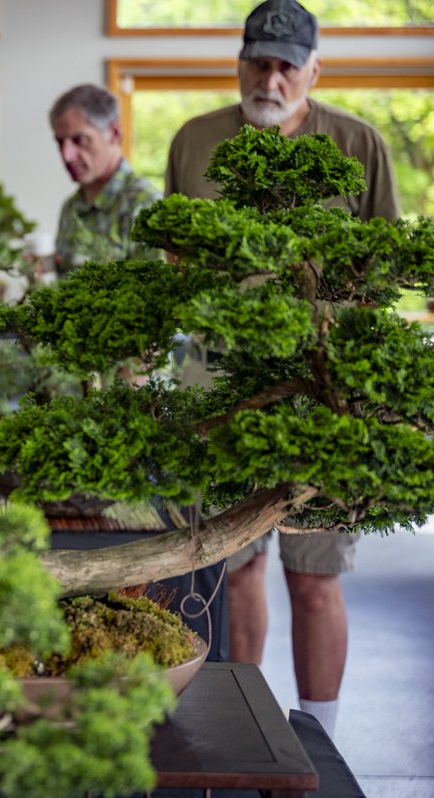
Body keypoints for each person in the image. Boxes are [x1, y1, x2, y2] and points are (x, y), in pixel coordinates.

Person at [164, 0, 401, 736]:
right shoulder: (196, 140)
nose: (271, 77)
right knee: (234, 567)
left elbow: (383, 268)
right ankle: (245, 724)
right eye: (257, 62)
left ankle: (320, 735)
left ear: (313, 70)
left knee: (317, 573)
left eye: (286, 65)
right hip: (217, 382)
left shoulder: (357, 144)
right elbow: (172, 262)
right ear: (239, 63)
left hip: (323, 389)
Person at [49, 83, 163, 277]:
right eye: (60, 142)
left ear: (114, 133)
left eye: (80, 140)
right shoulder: (70, 208)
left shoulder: (145, 205)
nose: (66, 155)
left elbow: (156, 293)